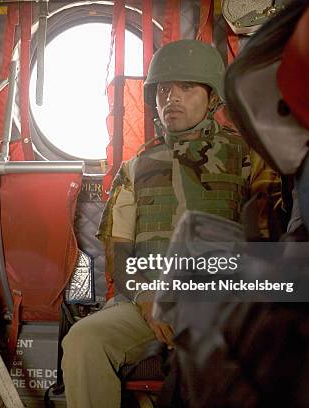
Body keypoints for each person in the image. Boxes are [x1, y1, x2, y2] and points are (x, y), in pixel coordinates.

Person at [61, 39, 281, 408]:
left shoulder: (247, 157)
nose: (171, 98)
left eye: (186, 88)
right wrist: (146, 297)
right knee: (83, 340)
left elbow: (265, 241)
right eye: (163, 90)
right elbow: (119, 251)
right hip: (145, 305)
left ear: (212, 99)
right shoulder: (136, 166)